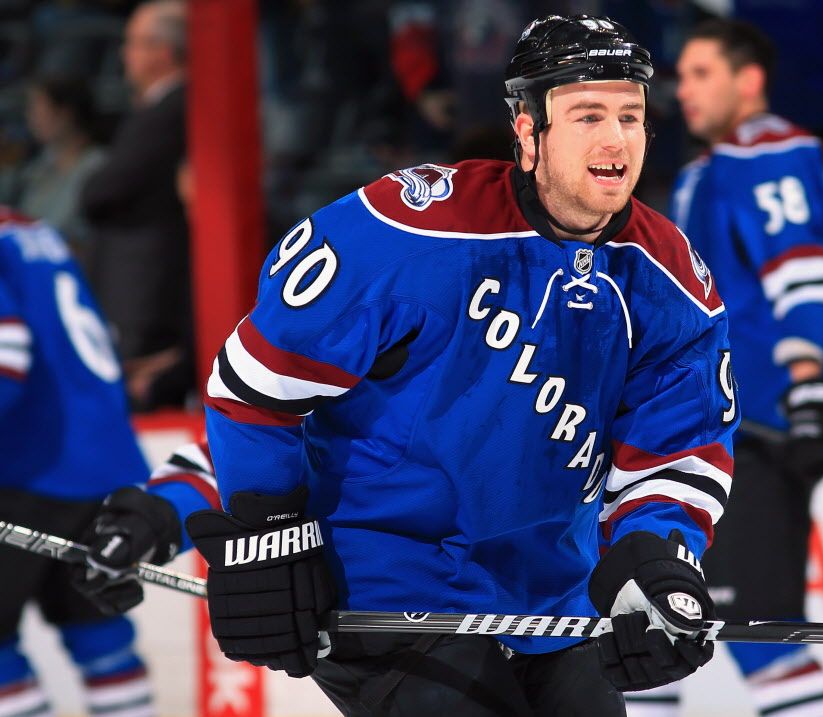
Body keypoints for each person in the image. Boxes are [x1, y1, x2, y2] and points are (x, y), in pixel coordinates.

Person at [74, 14, 738, 717]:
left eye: (631, 116)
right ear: (527, 131)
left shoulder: (672, 284)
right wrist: (258, 529)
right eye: (588, 115)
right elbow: (257, 393)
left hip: (552, 601)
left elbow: (678, 454)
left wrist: (659, 557)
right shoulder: (407, 232)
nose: (615, 139)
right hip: (392, 594)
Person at [634, 17, 823, 717]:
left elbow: (807, 278)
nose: (685, 91)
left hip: (755, 430)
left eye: (703, 74)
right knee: (640, 624)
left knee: (754, 632)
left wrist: (810, 385)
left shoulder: (768, 152)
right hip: (702, 430)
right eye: (683, 76)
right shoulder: (708, 171)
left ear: (750, 81)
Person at [0, 208, 159, 717]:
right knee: (98, 630)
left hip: (27, 464)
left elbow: (6, 355)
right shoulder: (28, 229)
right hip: (100, 457)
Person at [80, 0, 192, 412]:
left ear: (161, 51)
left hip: (150, 293)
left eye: (132, 44)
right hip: (142, 289)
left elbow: (101, 190)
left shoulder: (174, 107)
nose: (124, 55)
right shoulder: (157, 110)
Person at [12, 74, 106, 272]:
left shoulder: (98, 167)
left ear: (65, 113)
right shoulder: (37, 169)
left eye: (39, 109)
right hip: (31, 270)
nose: (32, 118)